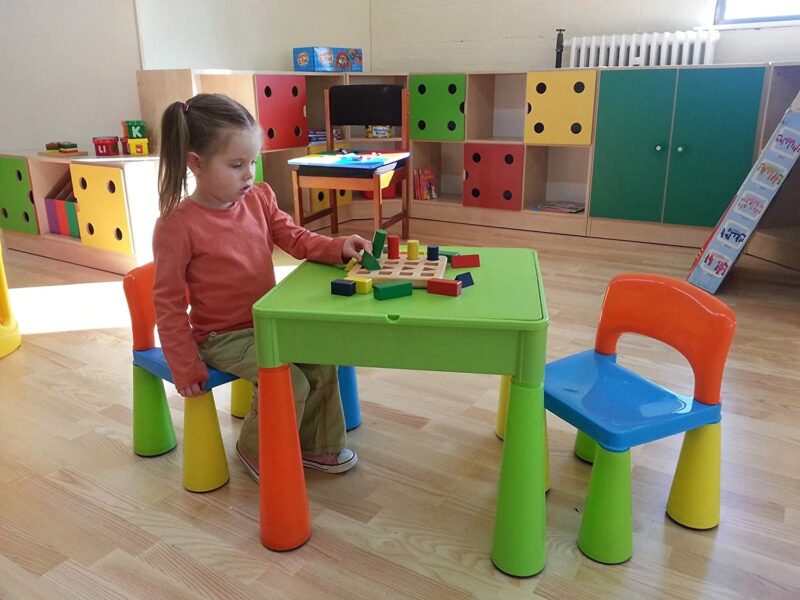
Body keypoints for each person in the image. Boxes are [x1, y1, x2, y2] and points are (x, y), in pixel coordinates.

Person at [152, 93, 371, 481]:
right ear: (196, 164)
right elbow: (168, 304)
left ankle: (316, 446)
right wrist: (184, 365)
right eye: (236, 165)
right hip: (222, 336)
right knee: (288, 380)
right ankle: (257, 448)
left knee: (321, 357)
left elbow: (297, 238)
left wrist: (339, 247)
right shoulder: (177, 225)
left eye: (252, 162)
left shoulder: (260, 198)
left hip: (267, 321)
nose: (249, 174)